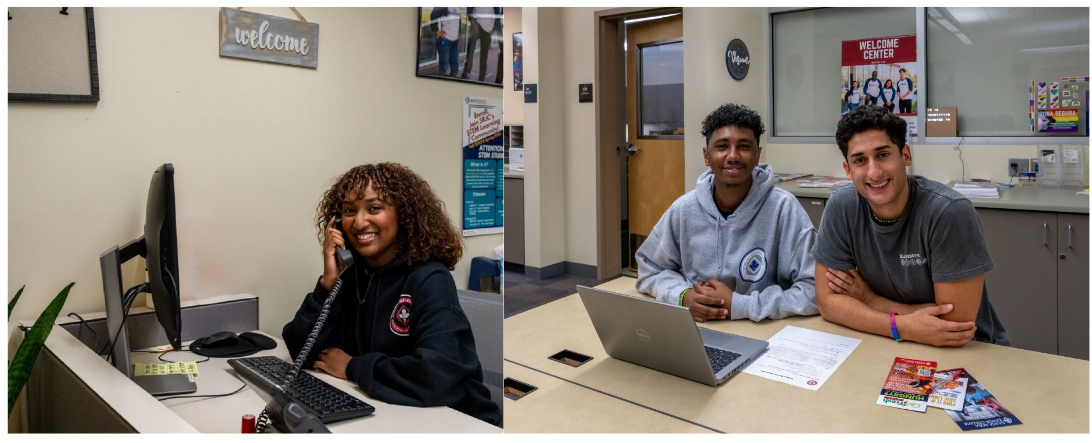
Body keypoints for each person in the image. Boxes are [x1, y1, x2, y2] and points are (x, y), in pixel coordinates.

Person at [282, 163, 501, 426]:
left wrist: (353, 367)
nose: (360, 222)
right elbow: (301, 353)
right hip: (388, 412)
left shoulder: (429, 279)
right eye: (349, 211)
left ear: (404, 216)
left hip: (456, 421)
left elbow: (437, 376)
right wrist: (328, 282)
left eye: (374, 208)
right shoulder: (349, 276)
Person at [812, 106, 1008, 347]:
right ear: (848, 170)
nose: (874, 172)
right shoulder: (841, 206)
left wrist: (870, 301)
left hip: (967, 350)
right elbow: (828, 302)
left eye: (883, 155)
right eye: (860, 160)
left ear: (905, 156)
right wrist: (904, 326)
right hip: (881, 343)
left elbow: (952, 324)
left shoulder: (949, 212)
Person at [635, 103, 818, 323]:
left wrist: (741, 305)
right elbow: (650, 268)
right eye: (722, 146)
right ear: (706, 155)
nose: (732, 156)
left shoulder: (784, 209)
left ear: (758, 154)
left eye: (744, 146)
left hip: (765, 332)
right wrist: (682, 296)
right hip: (698, 330)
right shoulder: (684, 210)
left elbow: (814, 290)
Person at [462, 7, 500, 82]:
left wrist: (492, 30)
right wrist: (472, 21)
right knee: (471, 49)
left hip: (487, 29)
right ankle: (466, 73)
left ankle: (481, 80)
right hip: (476, 23)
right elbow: (469, 8)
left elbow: (497, 15)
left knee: (484, 58)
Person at [430, 7, 462, 77]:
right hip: (445, 41)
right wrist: (436, 30)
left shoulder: (458, 8)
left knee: (455, 70)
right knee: (443, 71)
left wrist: (459, 34)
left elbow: (459, 22)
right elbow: (433, 15)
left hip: (454, 43)